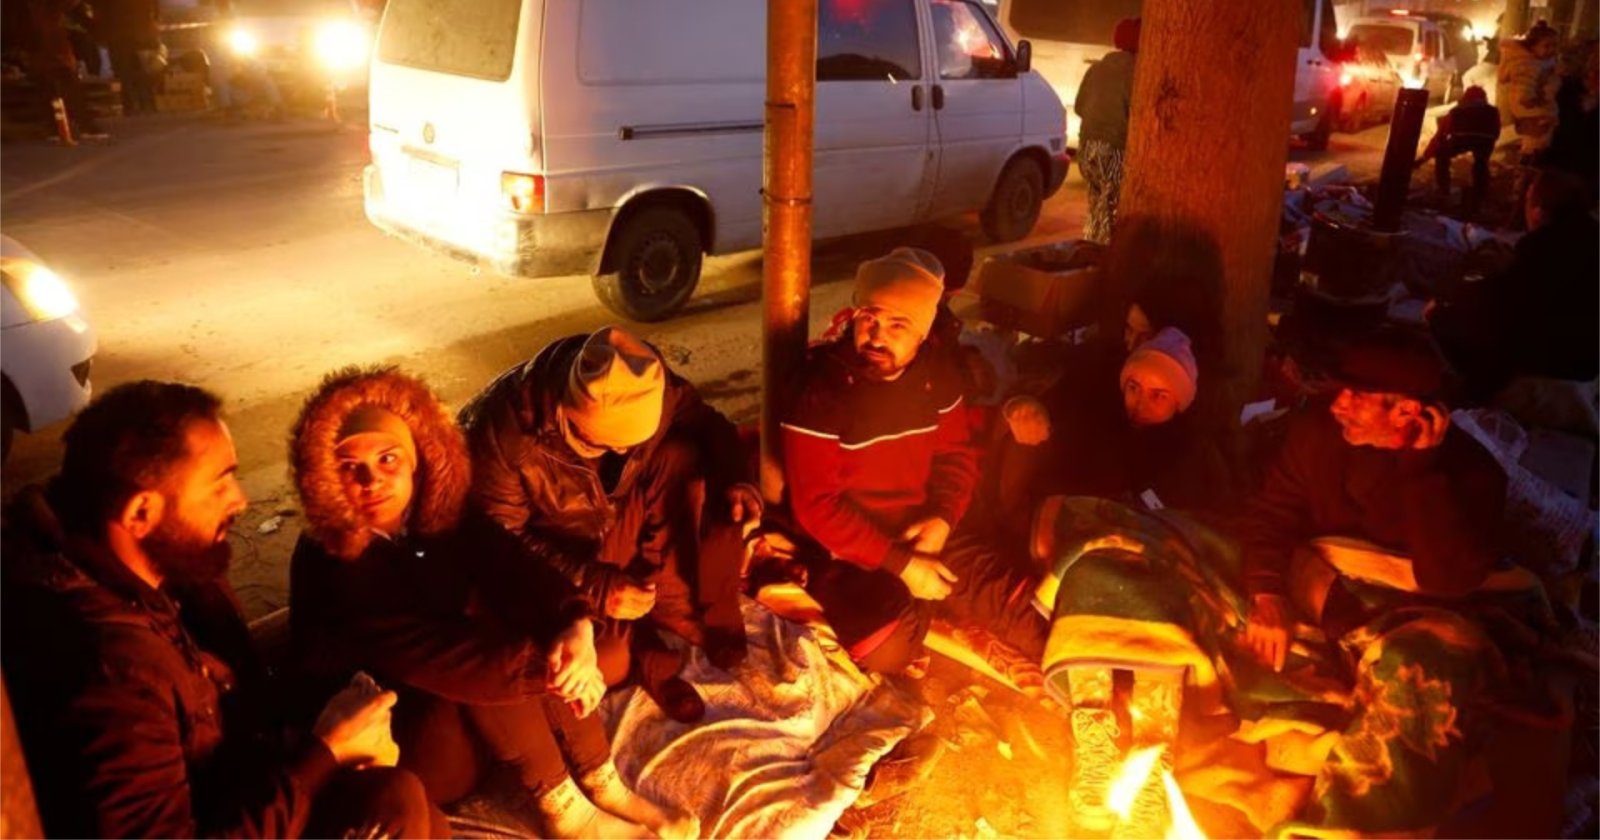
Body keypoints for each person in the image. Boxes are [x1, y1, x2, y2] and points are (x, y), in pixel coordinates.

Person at [1, 381, 436, 838]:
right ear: (140, 513)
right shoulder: (111, 671)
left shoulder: (158, 570)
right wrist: (325, 751)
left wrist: (321, 725)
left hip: (236, 781)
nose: (241, 500)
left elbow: (229, 703)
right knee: (396, 804)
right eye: (219, 482)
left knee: (407, 800)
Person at [287, 366, 696, 838]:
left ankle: (601, 782)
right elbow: (432, 655)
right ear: (324, 475)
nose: (371, 480)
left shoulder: (432, 513)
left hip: (464, 710)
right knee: (498, 646)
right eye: (348, 466)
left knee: (562, 636)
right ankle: (570, 814)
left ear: (415, 459)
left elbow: (509, 564)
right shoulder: (332, 558)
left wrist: (573, 622)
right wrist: (552, 667)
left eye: (387, 459)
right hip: (398, 748)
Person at [460, 327, 756, 724]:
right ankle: (646, 649)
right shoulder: (504, 434)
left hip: (614, 518)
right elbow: (498, 544)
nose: (620, 453)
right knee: (605, 664)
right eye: (601, 444)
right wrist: (594, 585)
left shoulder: (646, 380)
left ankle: (665, 603)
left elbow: (708, 423)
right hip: (559, 554)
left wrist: (738, 479)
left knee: (678, 455)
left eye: (631, 444)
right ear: (566, 411)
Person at [780, 247, 1049, 676]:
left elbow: (956, 457)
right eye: (869, 317)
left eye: (897, 325)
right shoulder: (823, 391)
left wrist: (943, 518)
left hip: (925, 532)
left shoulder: (937, 379)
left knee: (1027, 617)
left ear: (922, 333)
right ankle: (918, 603)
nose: (876, 336)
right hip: (856, 551)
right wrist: (902, 566)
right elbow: (817, 506)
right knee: (886, 648)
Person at [1239, 330, 1508, 669]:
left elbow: (1445, 581)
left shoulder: (1476, 475)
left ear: (1406, 411)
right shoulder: (1318, 431)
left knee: (1416, 666)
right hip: (1314, 579)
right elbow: (1273, 511)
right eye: (1341, 391)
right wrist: (1267, 593)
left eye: (1357, 396)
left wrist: (1421, 471)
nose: (1338, 405)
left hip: (1402, 610)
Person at [1428, 169, 1599, 403]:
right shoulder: (1587, 238)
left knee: (1444, 319)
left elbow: (1509, 305)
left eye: (1527, 201)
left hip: (1562, 360)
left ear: (1539, 208)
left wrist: (1456, 298)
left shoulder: (1545, 247)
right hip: (1587, 355)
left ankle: (1472, 399)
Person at [1074, 17, 1139, 244]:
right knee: (1111, 215)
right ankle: (1102, 265)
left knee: (1096, 211)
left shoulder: (1096, 68)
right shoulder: (1139, 72)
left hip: (1086, 149)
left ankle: (1090, 257)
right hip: (1114, 152)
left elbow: (1080, 106)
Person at [1414, 85, 1502, 216]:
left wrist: (1424, 158)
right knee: (1481, 163)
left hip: (1461, 139)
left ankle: (1444, 189)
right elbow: (1496, 130)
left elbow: (1440, 136)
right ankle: (1480, 195)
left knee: (1442, 154)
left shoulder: (1457, 111)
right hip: (1486, 140)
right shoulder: (1493, 111)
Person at [27, 0, 107, 138]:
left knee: (47, 84)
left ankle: (54, 128)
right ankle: (84, 125)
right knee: (67, 81)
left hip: (35, 40)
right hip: (50, 39)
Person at [1497, 23, 1561, 160]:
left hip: (1538, 113)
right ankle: (1526, 171)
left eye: (1555, 45)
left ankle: (1527, 171)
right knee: (1535, 148)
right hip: (1534, 115)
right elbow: (1524, 97)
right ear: (1532, 47)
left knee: (1536, 147)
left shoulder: (1540, 62)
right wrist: (1541, 101)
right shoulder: (1526, 66)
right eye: (1547, 46)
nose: (1552, 50)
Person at [97, 0, 158, 114]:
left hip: (119, 33)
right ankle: (147, 103)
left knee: (125, 71)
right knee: (141, 70)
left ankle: (132, 105)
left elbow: (101, 9)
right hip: (139, 32)